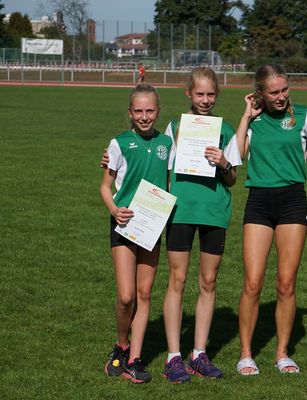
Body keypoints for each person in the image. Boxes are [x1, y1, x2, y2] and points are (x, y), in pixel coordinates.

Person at [235, 64, 307, 376]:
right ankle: (246, 354)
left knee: (286, 283)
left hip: (292, 201)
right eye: (273, 92)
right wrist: (247, 116)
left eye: (285, 90)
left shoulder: (302, 114)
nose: (281, 96)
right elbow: (235, 157)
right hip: (259, 202)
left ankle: (282, 353)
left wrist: (301, 159)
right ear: (260, 93)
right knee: (252, 282)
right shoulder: (255, 120)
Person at [162, 67, 242, 383]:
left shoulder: (226, 130)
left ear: (216, 95)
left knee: (208, 282)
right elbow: (162, 172)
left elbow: (233, 179)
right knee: (177, 281)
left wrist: (223, 163)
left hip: (213, 212)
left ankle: (199, 354)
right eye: (200, 94)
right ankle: (173, 356)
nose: (205, 100)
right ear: (188, 94)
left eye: (210, 94)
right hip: (181, 211)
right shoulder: (173, 128)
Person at [100, 84, 172, 384]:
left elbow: (171, 180)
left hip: (152, 226)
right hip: (125, 224)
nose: (145, 117)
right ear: (130, 113)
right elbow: (105, 186)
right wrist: (114, 210)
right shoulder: (118, 143)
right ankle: (121, 343)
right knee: (126, 295)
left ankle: (135, 359)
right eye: (139, 111)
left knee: (144, 294)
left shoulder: (167, 143)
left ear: (158, 111)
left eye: (150, 111)